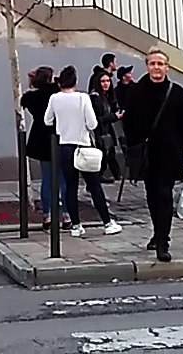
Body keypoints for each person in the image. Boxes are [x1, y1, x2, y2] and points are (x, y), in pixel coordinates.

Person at [122, 48, 183, 262]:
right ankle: (157, 233)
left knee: (164, 194)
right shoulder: (136, 91)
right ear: (147, 66)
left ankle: (163, 242)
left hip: (170, 152)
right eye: (153, 63)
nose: (156, 67)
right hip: (146, 153)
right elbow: (128, 121)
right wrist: (133, 145)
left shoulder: (178, 93)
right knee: (151, 194)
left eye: (160, 64)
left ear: (167, 67)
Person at [44, 65, 123, 238]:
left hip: (65, 146)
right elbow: (93, 124)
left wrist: (62, 124)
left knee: (70, 186)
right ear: (75, 82)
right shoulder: (82, 98)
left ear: (60, 83)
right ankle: (107, 222)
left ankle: (76, 225)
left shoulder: (55, 98)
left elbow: (47, 120)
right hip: (83, 145)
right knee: (94, 185)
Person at [21, 67, 67, 230]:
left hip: (40, 138)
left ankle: (47, 214)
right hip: (58, 135)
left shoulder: (33, 97)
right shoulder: (57, 94)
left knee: (47, 178)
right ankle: (66, 214)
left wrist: (31, 81)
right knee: (63, 178)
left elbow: (25, 98)